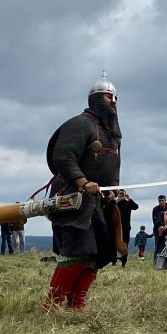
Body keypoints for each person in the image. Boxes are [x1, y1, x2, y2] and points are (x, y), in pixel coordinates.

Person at [45, 72, 121, 310]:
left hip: (95, 202)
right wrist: (82, 181)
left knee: (97, 255)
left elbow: (111, 167)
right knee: (77, 252)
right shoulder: (80, 124)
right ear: (98, 99)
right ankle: (52, 305)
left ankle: (76, 305)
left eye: (115, 97)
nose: (114, 102)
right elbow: (63, 156)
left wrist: (112, 190)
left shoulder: (111, 134)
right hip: (71, 198)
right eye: (109, 97)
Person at [115, 189, 138, 267]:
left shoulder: (128, 203)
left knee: (125, 244)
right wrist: (117, 201)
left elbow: (136, 207)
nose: (121, 195)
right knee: (114, 243)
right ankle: (114, 261)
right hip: (115, 227)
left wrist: (129, 199)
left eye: (122, 194)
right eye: (119, 193)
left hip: (125, 227)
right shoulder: (115, 203)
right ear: (117, 194)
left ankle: (123, 263)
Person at [151, 195, 167, 265]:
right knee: (157, 245)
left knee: (166, 246)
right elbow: (154, 221)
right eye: (160, 201)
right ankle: (156, 262)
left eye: (162, 200)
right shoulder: (155, 209)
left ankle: (166, 262)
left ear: (165, 200)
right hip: (158, 230)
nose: (161, 202)